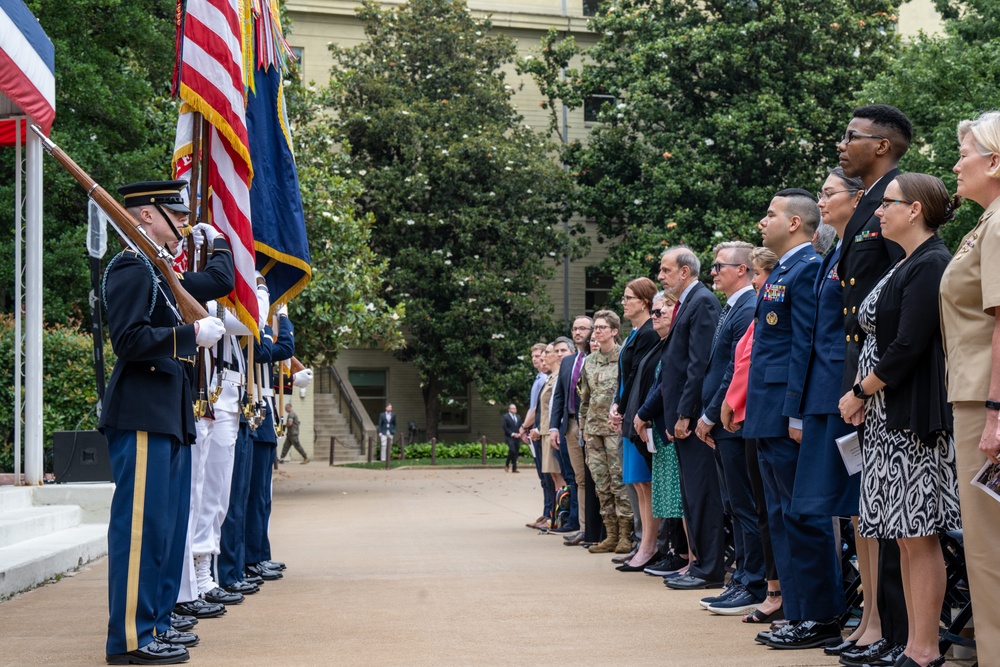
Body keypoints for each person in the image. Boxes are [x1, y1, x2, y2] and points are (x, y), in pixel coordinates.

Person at [100, 180, 228, 665]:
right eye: (175, 219)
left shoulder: (160, 273)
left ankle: (155, 622)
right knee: (141, 531)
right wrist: (189, 333)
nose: (182, 230)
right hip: (142, 413)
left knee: (166, 530)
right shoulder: (132, 266)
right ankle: (131, 638)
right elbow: (128, 340)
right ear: (147, 216)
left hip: (167, 414)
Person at [838, 173, 962, 667]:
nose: (878, 212)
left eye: (887, 204)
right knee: (905, 537)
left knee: (919, 533)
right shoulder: (906, 262)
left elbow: (909, 343)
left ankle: (924, 650)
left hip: (911, 415)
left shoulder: (931, 260)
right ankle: (911, 643)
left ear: (914, 210)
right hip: (887, 417)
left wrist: (859, 390)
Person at [744, 189, 844, 650]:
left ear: (794, 224)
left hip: (787, 409)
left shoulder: (805, 267)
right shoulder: (785, 268)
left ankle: (820, 615)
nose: (763, 221)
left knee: (803, 514)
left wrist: (798, 412)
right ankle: (798, 611)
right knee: (782, 515)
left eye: (771, 214)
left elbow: (805, 344)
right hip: (767, 409)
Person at [837, 104, 913, 666]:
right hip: (859, 368)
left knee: (890, 511)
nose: (842, 145)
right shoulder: (868, 200)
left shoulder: (892, 202)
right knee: (871, 505)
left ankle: (895, 631)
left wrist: (871, 383)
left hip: (881, 376)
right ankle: (878, 624)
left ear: (882, 145)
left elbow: (898, 294)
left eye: (852, 137)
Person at [796, 168, 874, 657]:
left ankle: (877, 619)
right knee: (849, 511)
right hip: (831, 395)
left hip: (849, 395)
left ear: (857, 197)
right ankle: (866, 618)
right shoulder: (835, 252)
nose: (821, 200)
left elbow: (854, 333)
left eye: (828, 193)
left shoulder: (860, 248)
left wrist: (856, 392)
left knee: (863, 509)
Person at [939, 110, 1000, 667]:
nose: (956, 165)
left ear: (996, 161)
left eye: (965, 154)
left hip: (987, 399)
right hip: (976, 393)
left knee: (988, 547)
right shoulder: (986, 223)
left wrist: (998, 412)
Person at [648, 247, 724, 590]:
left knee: (703, 493)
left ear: (684, 272)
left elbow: (699, 364)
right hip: (681, 417)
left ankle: (709, 569)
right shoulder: (686, 303)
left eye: (665, 270)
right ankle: (698, 563)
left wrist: (685, 413)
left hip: (691, 419)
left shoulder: (703, 301)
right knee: (692, 494)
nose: (660, 276)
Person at [695, 242, 762, 613]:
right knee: (734, 504)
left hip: (731, 419)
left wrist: (710, 413)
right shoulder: (732, 306)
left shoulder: (748, 306)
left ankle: (752, 581)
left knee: (744, 504)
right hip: (723, 420)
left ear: (742, 269)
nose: (714, 272)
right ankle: (742, 576)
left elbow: (734, 371)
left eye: (720, 266)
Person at [722, 246, 783, 624]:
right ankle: (766, 585)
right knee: (759, 509)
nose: (758, 282)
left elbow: (748, 363)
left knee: (764, 509)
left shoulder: (758, 306)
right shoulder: (756, 309)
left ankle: (766, 585)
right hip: (747, 413)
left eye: (759, 275)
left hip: (754, 413)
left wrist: (727, 404)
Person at [632, 292, 686, 575]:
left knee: (678, 498)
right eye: (653, 312)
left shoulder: (673, 344)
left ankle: (684, 555)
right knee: (669, 497)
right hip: (660, 426)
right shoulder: (664, 345)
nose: (655, 317)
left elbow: (665, 386)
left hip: (672, 426)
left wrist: (642, 414)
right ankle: (676, 552)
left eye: (660, 311)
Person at [609, 277, 660, 560]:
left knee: (645, 482)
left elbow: (639, 377)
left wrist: (625, 408)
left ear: (644, 301)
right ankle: (644, 543)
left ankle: (650, 546)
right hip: (629, 413)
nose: (624, 303)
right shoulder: (635, 333)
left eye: (628, 298)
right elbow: (624, 376)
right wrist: (617, 406)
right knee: (638, 483)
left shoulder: (650, 332)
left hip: (639, 415)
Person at [578, 310, 631, 554]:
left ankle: (626, 536)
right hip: (594, 431)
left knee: (619, 483)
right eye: (595, 328)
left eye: (601, 327)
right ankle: (610, 535)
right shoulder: (590, 361)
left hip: (614, 431)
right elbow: (585, 400)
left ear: (614, 331)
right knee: (601, 484)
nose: (596, 332)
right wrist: (583, 429)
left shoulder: (623, 356)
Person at [549, 317, 593, 541]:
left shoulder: (596, 357)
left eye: (583, 328)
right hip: (571, 423)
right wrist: (554, 427)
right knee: (578, 477)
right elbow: (559, 397)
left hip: (594, 425)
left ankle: (601, 529)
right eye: (575, 328)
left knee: (597, 476)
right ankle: (584, 529)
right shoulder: (568, 362)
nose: (578, 332)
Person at [521, 343, 554, 529]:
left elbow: (536, 409)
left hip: (540, 431)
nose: (537, 360)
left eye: (540, 357)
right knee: (544, 477)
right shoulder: (539, 379)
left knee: (547, 476)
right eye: (534, 357)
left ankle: (550, 513)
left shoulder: (544, 380)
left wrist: (523, 427)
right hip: (536, 431)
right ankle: (547, 512)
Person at [502, 404, 521, 473]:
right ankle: (507, 464)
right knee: (512, 450)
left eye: (515, 408)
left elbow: (520, 426)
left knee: (516, 452)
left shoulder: (518, 417)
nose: (514, 410)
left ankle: (514, 468)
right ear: (509, 409)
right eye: (513, 408)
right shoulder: (505, 417)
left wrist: (520, 433)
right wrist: (512, 434)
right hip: (510, 437)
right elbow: (505, 427)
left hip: (518, 437)